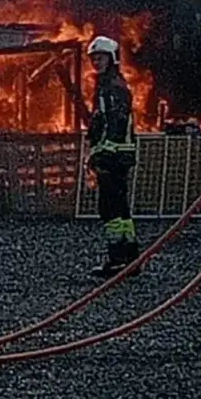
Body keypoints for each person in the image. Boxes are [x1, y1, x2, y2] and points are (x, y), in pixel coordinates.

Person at [86, 35, 141, 278]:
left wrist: (100, 153)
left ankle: (117, 258)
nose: (97, 62)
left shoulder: (111, 88)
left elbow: (114, 123)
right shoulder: (109, 85)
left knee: (109, 209)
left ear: (112, 58)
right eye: (94, 58)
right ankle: (130, 256)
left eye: (101, 57)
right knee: (121, 208)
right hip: (119, 156)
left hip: (113, 157)